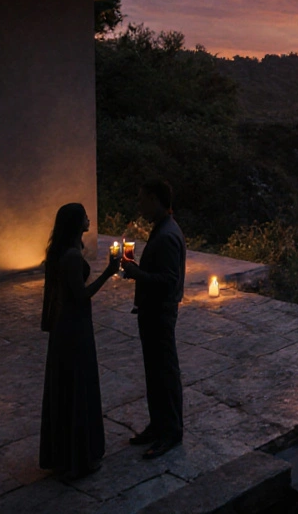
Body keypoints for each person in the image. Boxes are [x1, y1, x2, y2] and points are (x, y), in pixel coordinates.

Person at [39, 202, 120, 479]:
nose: (89, 219)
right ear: (76, 223)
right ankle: (78, 458)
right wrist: (108, 273)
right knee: (78, 387)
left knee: (69, 386)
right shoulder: (72, 257)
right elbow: (81, 296)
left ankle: (65, 455)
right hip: (74, 328)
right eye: (85, 216)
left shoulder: (61, 252)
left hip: (68, 325)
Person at [120, 178, 187, 459]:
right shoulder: (162, 229)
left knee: (165, 374)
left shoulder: (168, 235)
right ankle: (158, 425)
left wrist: (138, 275)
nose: (139, 205)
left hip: (160, 314)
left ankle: (170, 432)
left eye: (143, 199)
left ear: (156, 200)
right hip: (152, 313)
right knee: (155, 373)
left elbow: (169, 282)